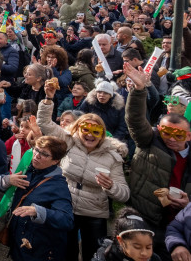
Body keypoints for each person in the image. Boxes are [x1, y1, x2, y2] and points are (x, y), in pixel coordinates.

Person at [37, 79, 131, 261]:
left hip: (94, 214)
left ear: (102, 134)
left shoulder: (113, 156)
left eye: (95, 131)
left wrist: (111, 186)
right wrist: (48, 99)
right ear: (78, 129)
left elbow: (124, 194)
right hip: (66, 207)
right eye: (85, 129)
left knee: (93, 254)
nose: (89, 134)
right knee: (66, 251)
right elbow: (45, 123)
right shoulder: (71, 141)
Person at [124, 62, 191, 261]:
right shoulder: (150, 140)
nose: (170, 138)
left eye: (177, 134)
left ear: (189, 136)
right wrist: (138, 90)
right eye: (166, 132)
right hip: (148, 217)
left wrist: (188, 204)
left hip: (181, 221)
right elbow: (135, 120)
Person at [0, 136, 74, 261]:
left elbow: (67, 219)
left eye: (44, 154)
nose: (37, 155)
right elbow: (1, 182)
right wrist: (7, 180)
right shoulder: (28, 168)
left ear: (55, 161)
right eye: (36, 150)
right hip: (19, 242)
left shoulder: (58, 186)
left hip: (38, 250)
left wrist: (38, 211)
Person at [94, 208, 162, 261]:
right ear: (120, 241)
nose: (144, 253)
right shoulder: (105, 255)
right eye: (137, 247)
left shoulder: (154, 259)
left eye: (148, 247)